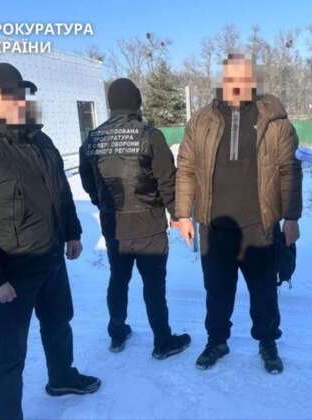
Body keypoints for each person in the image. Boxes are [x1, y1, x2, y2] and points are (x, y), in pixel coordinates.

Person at [0, 63, 100, 420]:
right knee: (9, 351)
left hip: (50, 258)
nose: (21, 101)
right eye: (12, 94)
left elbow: (60, 190)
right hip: (10, 272)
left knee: (59, 322)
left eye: (22, 93)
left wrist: (72, 231)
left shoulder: (37, 139)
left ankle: (61, 377)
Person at [174, 54, 302, 374]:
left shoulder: (274, 119)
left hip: (259, 223)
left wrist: (292, 217)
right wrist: (183, 214)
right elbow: (186, 168)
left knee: (264, 292)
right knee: (217, 291)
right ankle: (217, 341)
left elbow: (289, 170)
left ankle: (267, 342)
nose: (236, 85)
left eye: (243, 78)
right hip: (214, 224)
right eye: (231, 78)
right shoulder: (201, 120)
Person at [79, 78, 191, 359]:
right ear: (137, 102)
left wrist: (104, 205)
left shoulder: (92, 139)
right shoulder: (149, 135)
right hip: (148, 224)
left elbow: (88, 183)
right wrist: (177, 214)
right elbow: (168, 181)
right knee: (154, 285)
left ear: (110, 104)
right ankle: (162, 341)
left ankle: (117, 334)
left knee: (118, 279)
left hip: (114, 224)